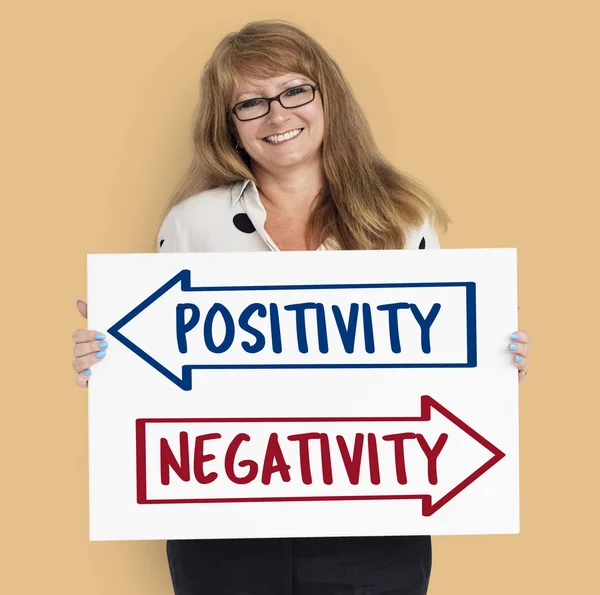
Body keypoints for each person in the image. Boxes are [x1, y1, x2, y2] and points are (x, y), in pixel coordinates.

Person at [72, 19, 531, 595]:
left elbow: (437, 362)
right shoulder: (194, 224)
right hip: (225, 524)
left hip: (374, 527)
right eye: (251, 103)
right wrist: (110, 360)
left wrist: (492, 360)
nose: (278, 115)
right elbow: (164, 371)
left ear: (326, 98)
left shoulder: (402, 219)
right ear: (229, 127)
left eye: (294, 91)